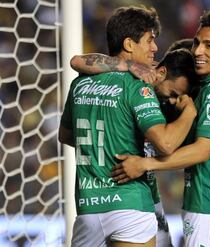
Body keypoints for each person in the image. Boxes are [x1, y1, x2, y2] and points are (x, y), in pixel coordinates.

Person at [58, 6, 197, 247]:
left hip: (88, 207)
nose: (155, 48)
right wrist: (189, 114)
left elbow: (66, 135)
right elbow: (165, 143)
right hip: (129, 204)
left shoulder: (80, 82)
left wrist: (112, 138)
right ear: (129, 44)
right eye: (149, 41)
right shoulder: (138, 86)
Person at [111, 11, 210, 246]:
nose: (174, 101)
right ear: (161, 71)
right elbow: (78, 61)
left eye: (208, 45)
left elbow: (187, 148)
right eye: (197, 43)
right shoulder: (141, 81)